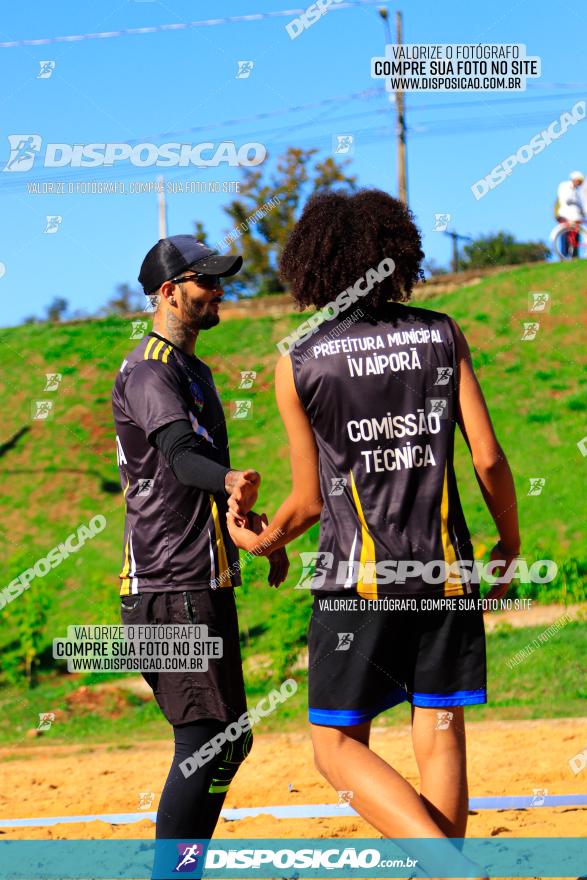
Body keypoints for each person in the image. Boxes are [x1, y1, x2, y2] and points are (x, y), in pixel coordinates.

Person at [227, 190, 520, 872]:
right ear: (398, 255)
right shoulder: (440, 333)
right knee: (440, 728)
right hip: (444, 571)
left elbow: (303, 501)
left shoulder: (298, 359)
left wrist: (261, 540)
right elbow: (486, 457)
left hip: (357, 580)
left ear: (313, 264)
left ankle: (448, 870)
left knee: (334, 746)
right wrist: (509, 542)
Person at [111, 235, 289, 858]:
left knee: (229, 739)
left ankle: (183, 870)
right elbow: (185, 461)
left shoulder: (193, 370)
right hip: (167, 584)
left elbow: (203, 477)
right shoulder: (149, 370)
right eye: (207, 282)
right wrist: (230, 479)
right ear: (168, 293)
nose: (220, 291)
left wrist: (248, 523)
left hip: (200, 578)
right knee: (207, 738)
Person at [555, 170, 585, 257]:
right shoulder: (564, 186)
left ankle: (575, 256)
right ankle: (564, 255)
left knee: (576, 237)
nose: (579, 183)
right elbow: (565, 199)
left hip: (576, 218)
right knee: (565, 236)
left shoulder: (578, 192)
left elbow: (581, 206)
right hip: (565, 216)